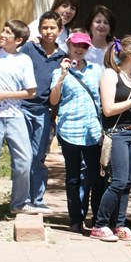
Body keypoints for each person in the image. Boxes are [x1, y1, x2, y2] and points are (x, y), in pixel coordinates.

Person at [91, 37, 131, 242]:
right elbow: (108, 110)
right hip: (118, 133)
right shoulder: (110, 74)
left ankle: (119, 224)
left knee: (127, 182)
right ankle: (100, 224)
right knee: (117, 181)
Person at [0, 20, 37, 226]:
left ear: (18, 40)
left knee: (24, 161)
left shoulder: (24, 60)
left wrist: (5, 95)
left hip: (15, 116)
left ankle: (19, 202)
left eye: (8, 33)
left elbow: (31, 92)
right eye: (3, 30)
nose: (3, 34)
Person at [49, 30, 104, 234]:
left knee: (95, 177)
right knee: (73, 177)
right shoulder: (58, 72)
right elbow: (54, 100)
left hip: (92, 130)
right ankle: (76, 218)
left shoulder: (95, 70)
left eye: (84, 46)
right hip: (69, 129)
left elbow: (101, 95)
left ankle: (98, 218)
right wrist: (63, 75)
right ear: (69, 46)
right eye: (76, 45)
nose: (79, 49)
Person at [20, 11, 66, 213]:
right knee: (23, 155)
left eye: (53, 28)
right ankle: (21, 199)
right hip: (22, 107)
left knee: (39, 156)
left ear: (60, 31)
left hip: (44, 111)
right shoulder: (29, 49)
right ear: (39, 30)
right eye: (45, 28)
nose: (49, 32)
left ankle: (37, 199)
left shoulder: (62, 56)